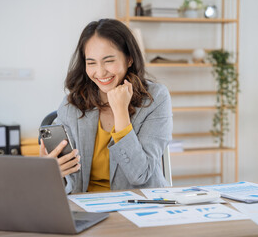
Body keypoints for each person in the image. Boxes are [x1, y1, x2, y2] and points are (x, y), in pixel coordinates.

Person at [40, 18, 173, 193]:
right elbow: (68, 183)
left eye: (109, 60)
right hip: (85, 206)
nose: (100, 72)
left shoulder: (155, 99)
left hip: (139, 204)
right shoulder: (72, 104)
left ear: (129, 59)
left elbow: (140, 175)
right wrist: (53, 172)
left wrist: (121, 113)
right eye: (91, 62)